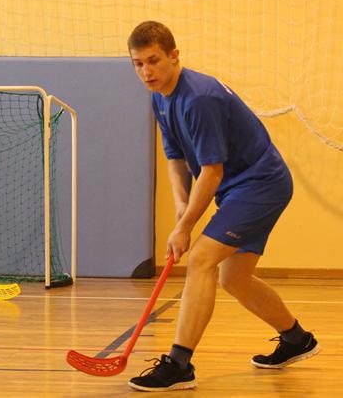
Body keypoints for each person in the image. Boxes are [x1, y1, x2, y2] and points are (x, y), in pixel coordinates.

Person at [125, 21, 320, 392]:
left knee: (201, 259)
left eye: (153, 60)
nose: (146, 71)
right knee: (234, 278)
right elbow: (176, 158)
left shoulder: (199, 98)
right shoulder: (160, 97)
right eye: (138, 64)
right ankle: (296, 339)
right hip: (238, 190)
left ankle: (179, 365)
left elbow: (211, 172)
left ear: (174, 56)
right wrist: (181, 207)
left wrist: (185, 228)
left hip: (260, 185)